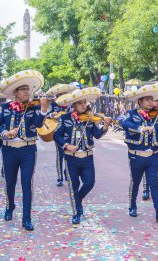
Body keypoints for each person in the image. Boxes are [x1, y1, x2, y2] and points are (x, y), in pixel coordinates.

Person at [0, 70, 49, 231]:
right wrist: (4, 132)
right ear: (15, 92)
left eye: (28, 89)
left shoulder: (34, 108)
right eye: (23, 89)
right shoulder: (5, 107)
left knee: (26, 183)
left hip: (28, 151)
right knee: (10, 182)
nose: (27, 92)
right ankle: (10, 207)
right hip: (9, 150)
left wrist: (44, 109)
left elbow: (38, 124)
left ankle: (27, 218)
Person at [121, 84, 158, 222]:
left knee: (154, 183)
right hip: (136, 155)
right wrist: (141, 128)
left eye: (151, 99)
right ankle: (132, 205)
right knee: (135, 182)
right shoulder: (132, 115)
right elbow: (124, 124)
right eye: (147, 100)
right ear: (140, 102)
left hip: (153, 155)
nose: (151, 102)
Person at [54, 87, 112, 225]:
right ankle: (76, 212)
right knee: (73, 185)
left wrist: (105, 127)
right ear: (73, 104)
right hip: (71, 158)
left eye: (84, 102)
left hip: (87, 157)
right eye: (80, 103)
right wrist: (66, 145)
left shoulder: (90, 119)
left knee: (89, 182)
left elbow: (97, 135)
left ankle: (77, 200)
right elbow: (56, 135)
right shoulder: (65, 118)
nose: (83, 105)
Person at [45, 84, 76, 187]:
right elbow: (46, 114)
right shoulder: (54, 104)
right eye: (61, 94)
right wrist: (51, 114)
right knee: (60, 156)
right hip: (58, 132)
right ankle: (59, 177)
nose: (63, 95)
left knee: (68, 155)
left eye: (64, 94)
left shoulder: (71, 104)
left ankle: (67, 173)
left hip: (69, 133)